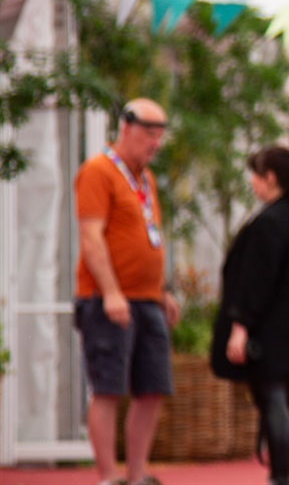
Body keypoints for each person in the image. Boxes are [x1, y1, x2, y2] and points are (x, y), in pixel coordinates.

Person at [74, 98, 180, 485]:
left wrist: (161, 290)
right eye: (149, 135)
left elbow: (149, 238)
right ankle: (107, 475)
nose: (155, 144)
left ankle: (137, 473)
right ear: (127, 129)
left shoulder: (145, 179)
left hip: (147, 297)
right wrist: (111, 292)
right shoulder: (98, 171)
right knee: (108, 387)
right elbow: (91, 236)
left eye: (160, 137)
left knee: (152, 388)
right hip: (108, 298)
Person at [212, 146, 289, 485]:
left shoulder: (271, 222)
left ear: (271, 178)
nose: (251, 182)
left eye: (255, 175)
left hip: (271, 329)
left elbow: (254, 282)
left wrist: (240, 326)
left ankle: (280, 476)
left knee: (274, 398)